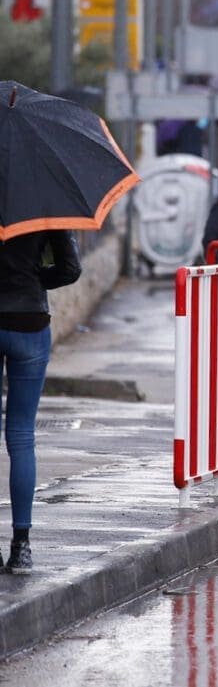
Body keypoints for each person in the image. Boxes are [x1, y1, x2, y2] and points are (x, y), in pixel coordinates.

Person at [0, 229, 82, 573]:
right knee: (20, 436)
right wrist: (36, 278)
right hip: (29, 321)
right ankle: (21, 547)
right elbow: (70, 268)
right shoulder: (43, 200)